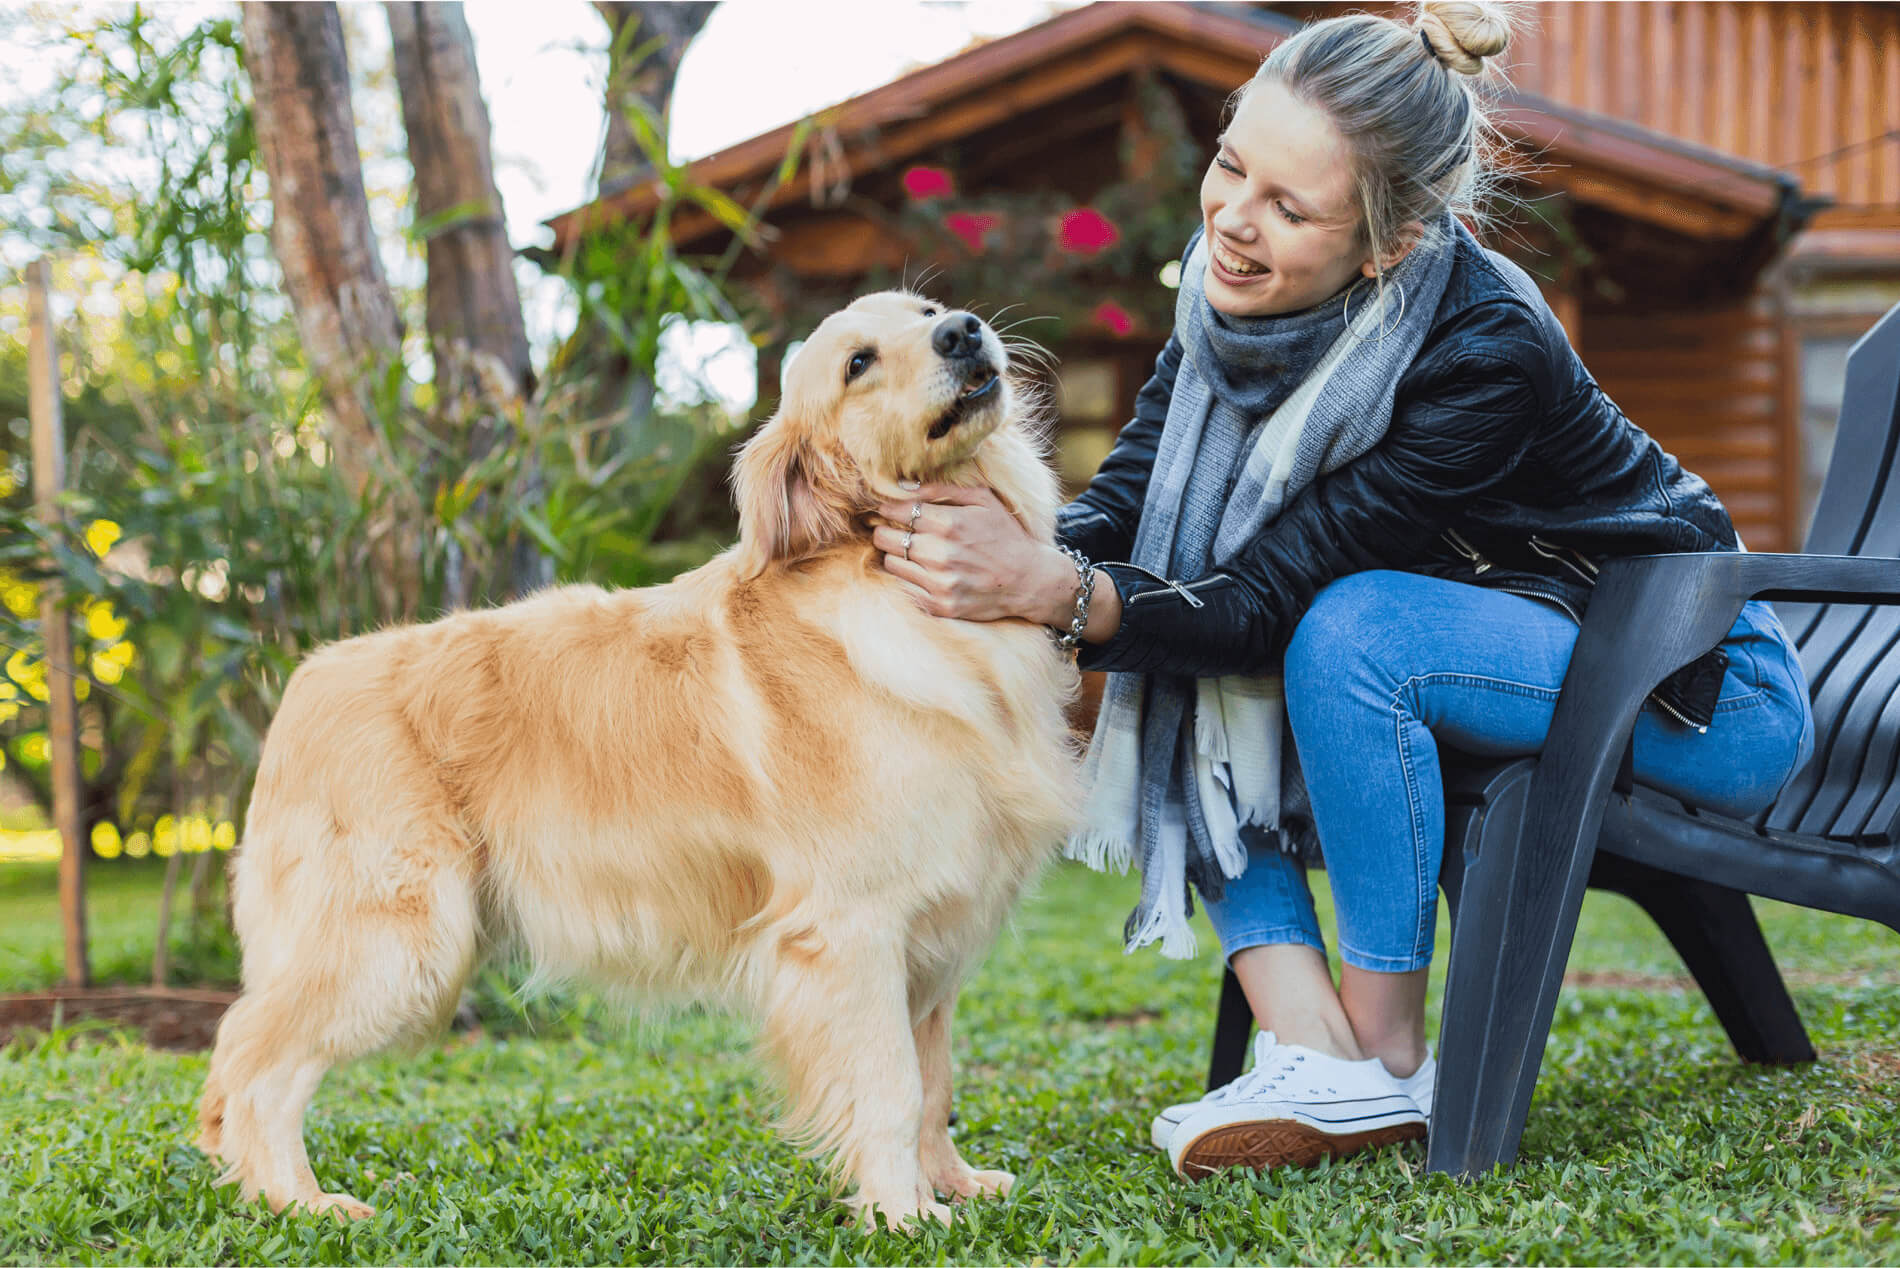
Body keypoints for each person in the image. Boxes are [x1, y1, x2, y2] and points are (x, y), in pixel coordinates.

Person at [869, 0, 1815, 1180]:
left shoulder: (1482, 349)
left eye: (1289, 207)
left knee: (1346, 634)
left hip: (1689, 684)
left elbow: (1263, 596)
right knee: (1222, 655)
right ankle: (1311, 1042)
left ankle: (1382, 1060)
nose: (1230, 219)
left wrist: (1063, 595)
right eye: (1230, 164)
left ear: (1390, 244)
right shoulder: (1219, 313)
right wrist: (996, 544)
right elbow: (1124, 503)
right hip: (1497, 659)